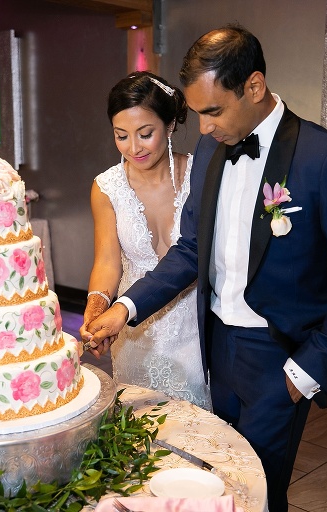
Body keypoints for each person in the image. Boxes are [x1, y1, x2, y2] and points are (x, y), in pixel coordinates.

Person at [84, 25, 327, 511]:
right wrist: (124, 308)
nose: (203, 128)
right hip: (215, 349)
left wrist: (306, 370)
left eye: (213, 111)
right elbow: (189, 251)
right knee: (217, 486)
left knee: (260, 492)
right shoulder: (212, 149)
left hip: (279, 358)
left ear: (253, 86)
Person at [79, 71, 212, 410]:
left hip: (197, 331)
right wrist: (96, 311)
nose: (133, 148)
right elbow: (108, 262)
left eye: (145, 133)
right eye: (121, 136)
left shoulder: (203, 175)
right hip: (136, 334)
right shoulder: (106, 187)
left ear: (169, 127)